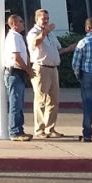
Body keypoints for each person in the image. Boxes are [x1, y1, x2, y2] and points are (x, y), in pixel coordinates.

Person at [27, 8, 63, 138]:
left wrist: (70, 48)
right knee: (41, 100)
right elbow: (35, 43)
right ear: (37, 19)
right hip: (41, 68)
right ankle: (39, 129)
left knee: (53, 100)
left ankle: (50, 128)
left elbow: (58, 49)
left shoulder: (51, 34)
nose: (46, 21)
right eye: (43, 18)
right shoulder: (34, 32)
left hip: (53, 68)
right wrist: (45, 31)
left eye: (47, 18)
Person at [1, 14, 34, 141]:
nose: (23, 23)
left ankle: (19, 130)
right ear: (14, 24)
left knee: (19, 103)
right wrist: (28, 69)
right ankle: (15, 132)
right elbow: (17, 57)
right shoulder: (13, 37)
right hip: (14, 72)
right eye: (21, 21)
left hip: (18, 73)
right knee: (15, 103)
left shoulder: (17, 37)